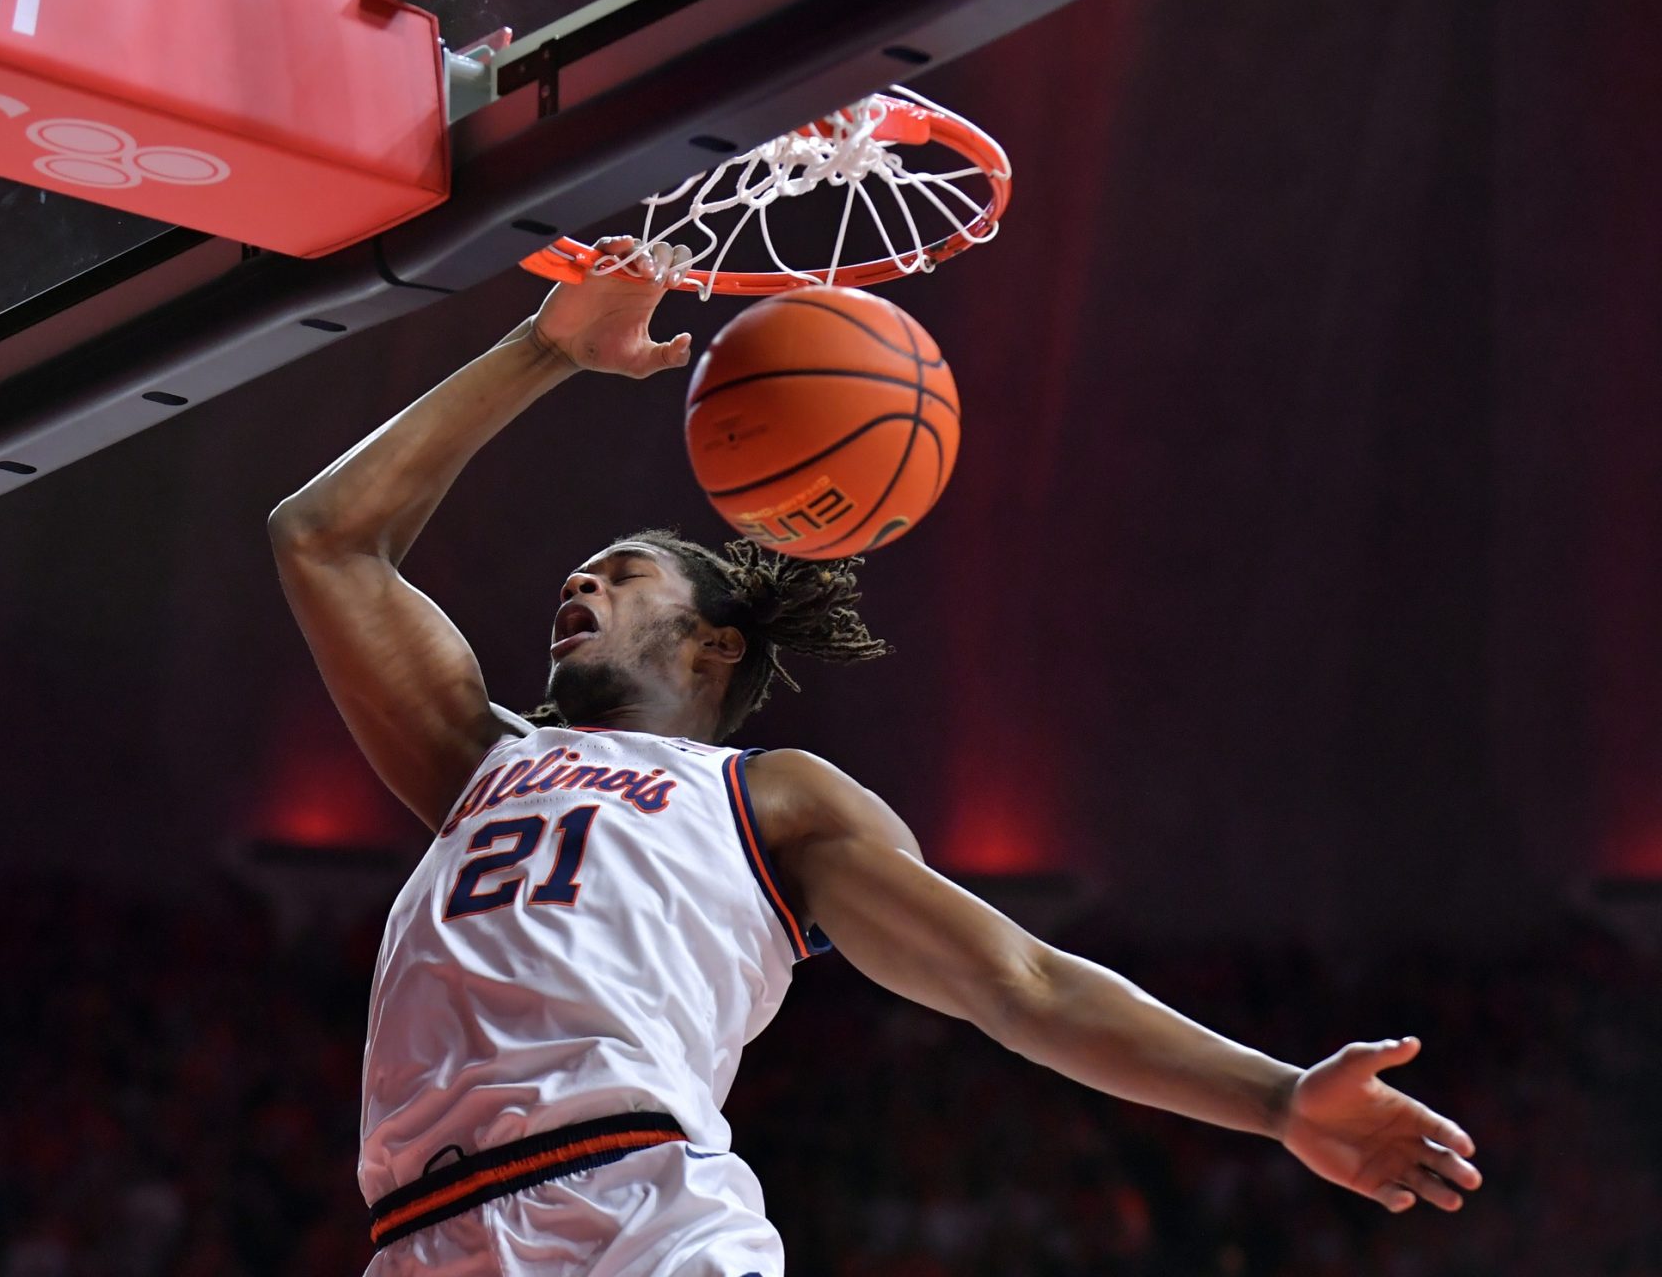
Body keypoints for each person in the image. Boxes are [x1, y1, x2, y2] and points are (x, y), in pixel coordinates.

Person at [267, 241, 1481, 1276]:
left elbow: (1022, 981)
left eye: (623, 571)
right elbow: (324, 538)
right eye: (581, 570)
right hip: (422, 1237)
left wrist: (1273, 1098)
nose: (579, 581)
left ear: (710, 643)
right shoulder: (477, 759)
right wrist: (546, 349)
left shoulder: (769, 797)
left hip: (636, 1217)